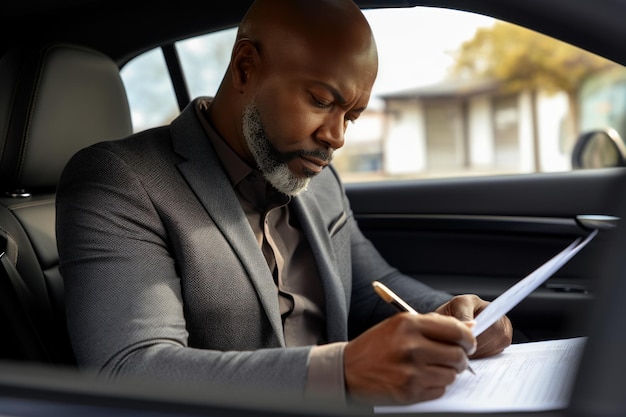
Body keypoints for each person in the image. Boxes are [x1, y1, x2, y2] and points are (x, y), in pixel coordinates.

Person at [56, 0, 512, 408]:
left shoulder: (320, 178)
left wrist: (457, 316)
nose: (336, 136)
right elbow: (130, 369)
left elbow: (373, 289)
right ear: (244, 67)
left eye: (350, 115)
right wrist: (342, 371)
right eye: (320, 101)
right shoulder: (121, 181)